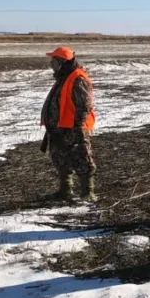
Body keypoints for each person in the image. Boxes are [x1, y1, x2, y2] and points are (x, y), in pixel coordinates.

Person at [40, 46, 97, 202]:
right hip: (59, 128)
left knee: (82, 158)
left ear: (62, 62)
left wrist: (77, 127)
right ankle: (65, 191)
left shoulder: (77, 78)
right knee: (60, 158)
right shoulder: (64, 77)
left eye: (54, 60)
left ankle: (88, 193)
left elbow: (85, 105)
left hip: (73, 128)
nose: (51, 63)